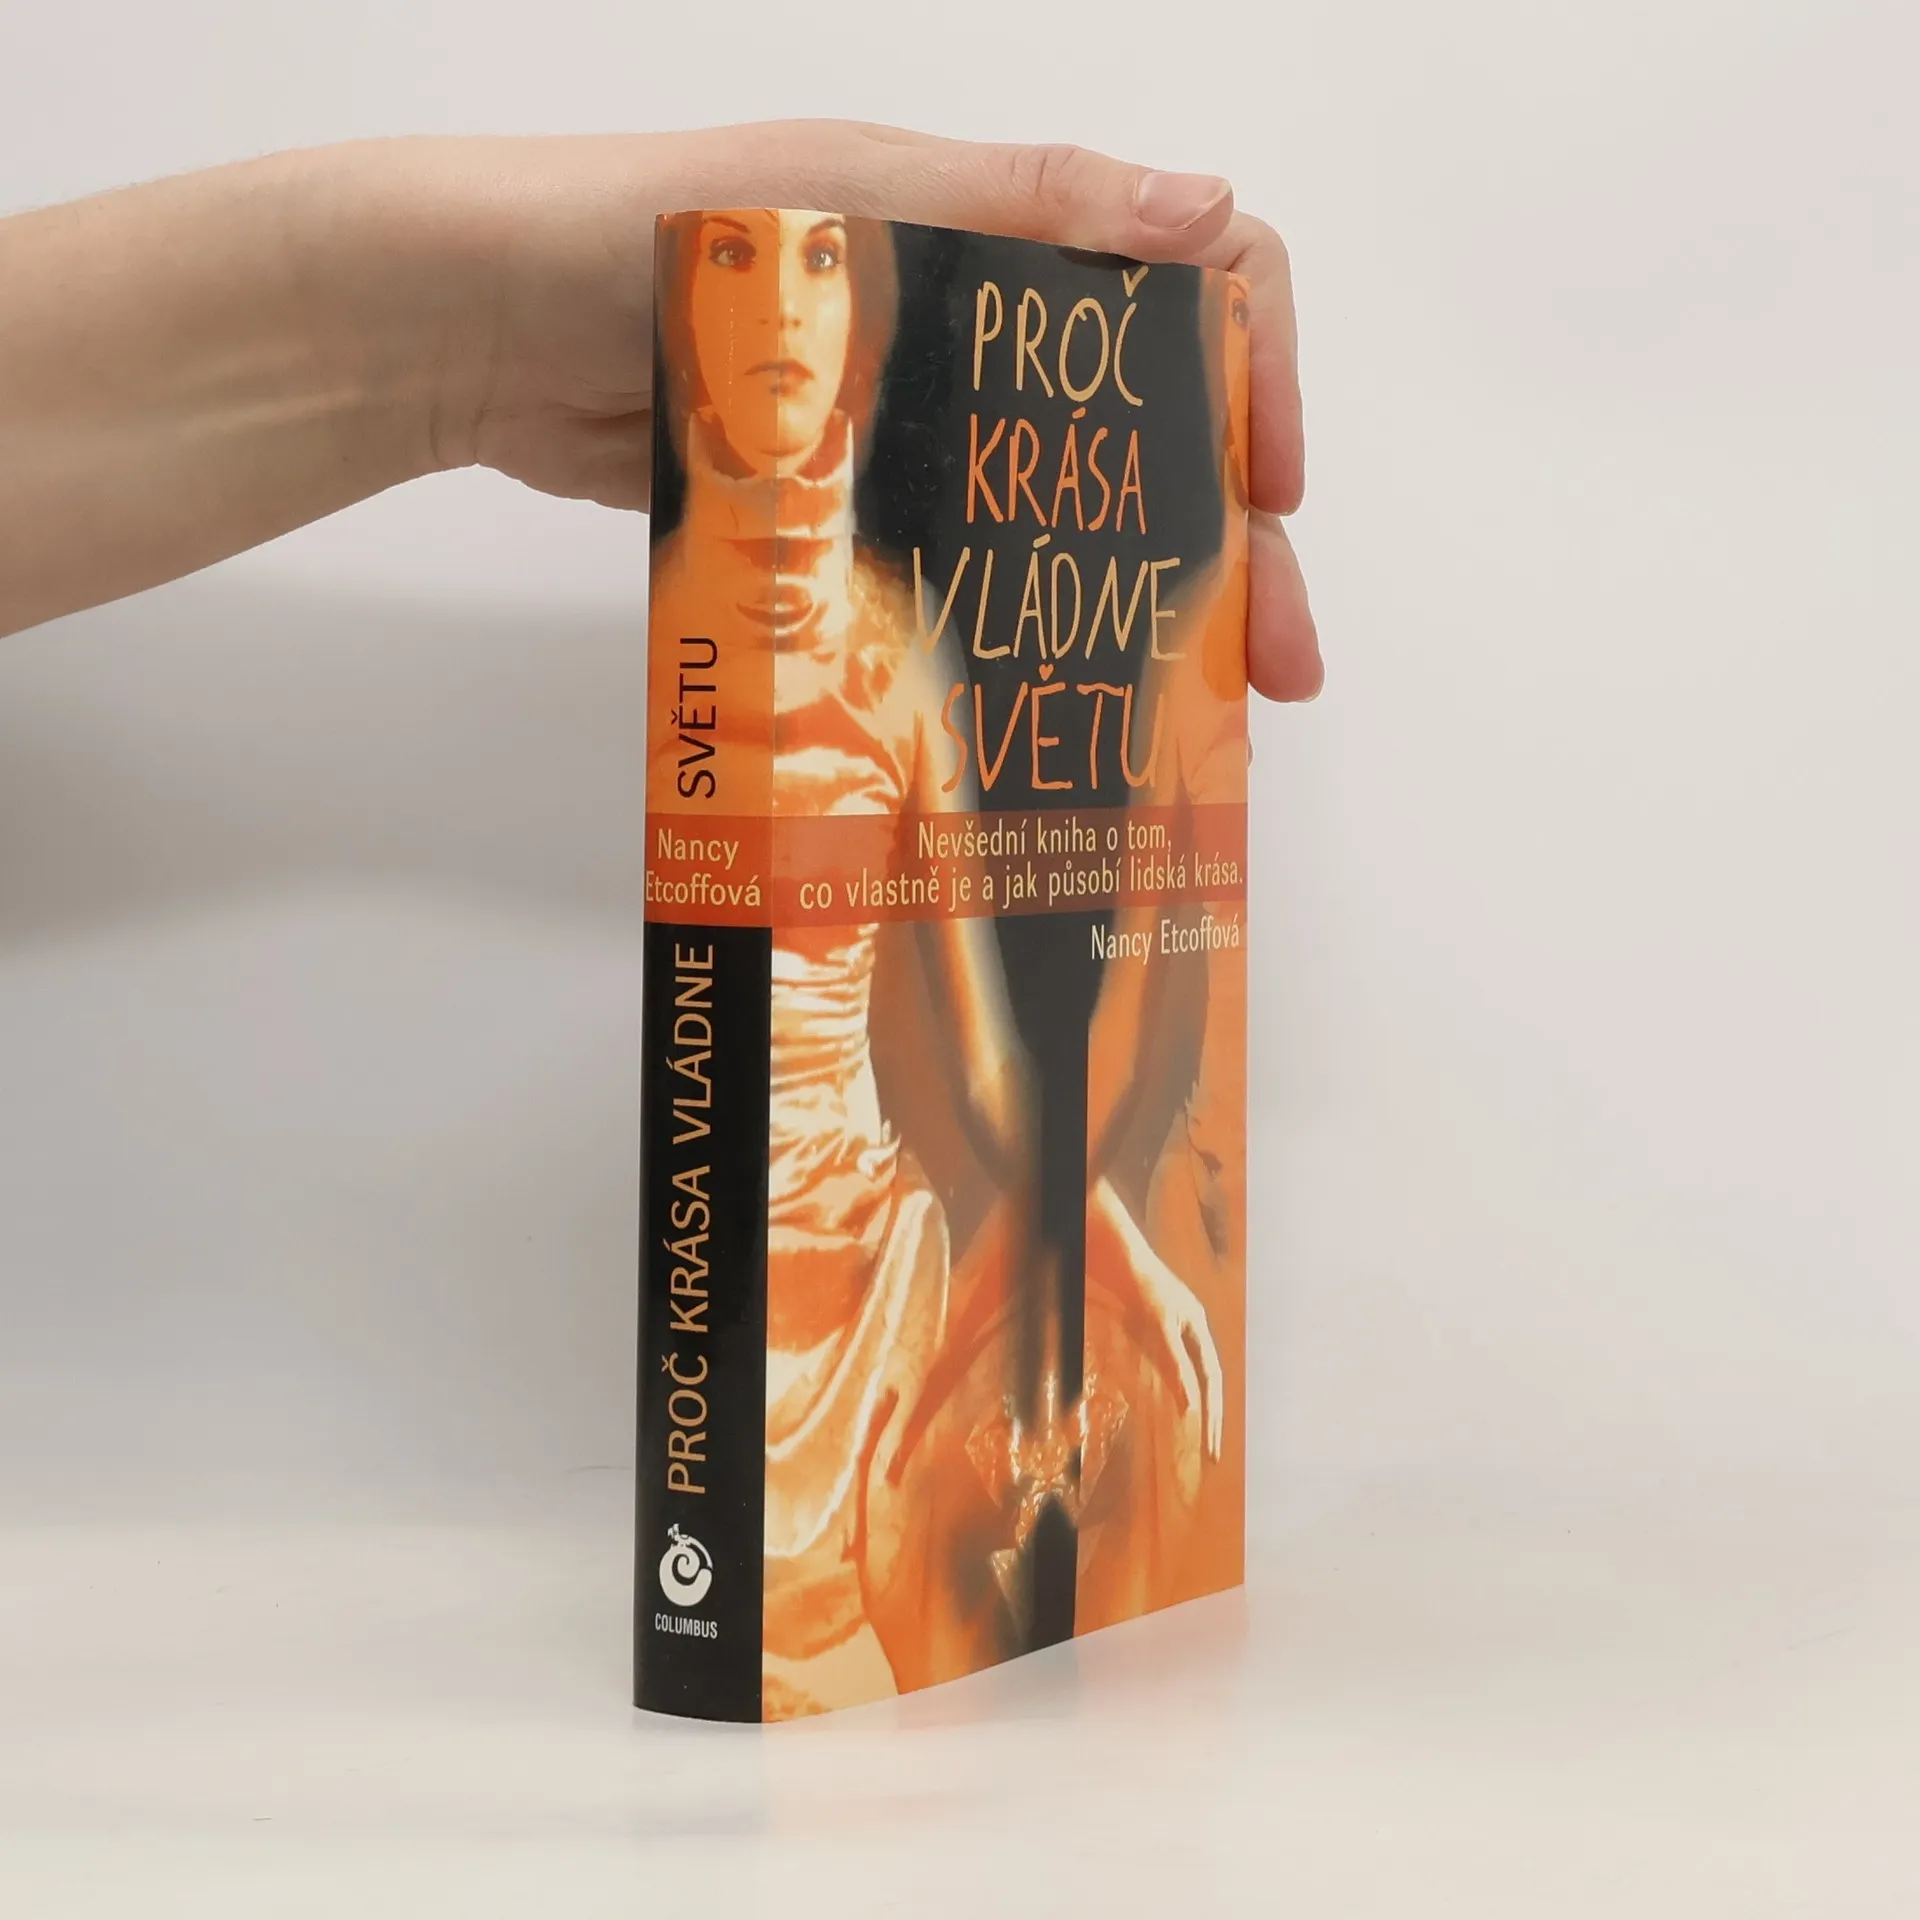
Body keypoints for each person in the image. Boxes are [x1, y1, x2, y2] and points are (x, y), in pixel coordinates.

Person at [0, 121, 1321, 1711]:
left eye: (824, 255)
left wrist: (1105, 1229)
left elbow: (984, 1056)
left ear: (866, 317)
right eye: (739, 254)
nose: (781, 303)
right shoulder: (712, 609)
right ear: (687, 297)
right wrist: (452, 327)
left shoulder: (897, 665)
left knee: (962, 1596)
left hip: (874, 1262)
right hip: (754, 1302)